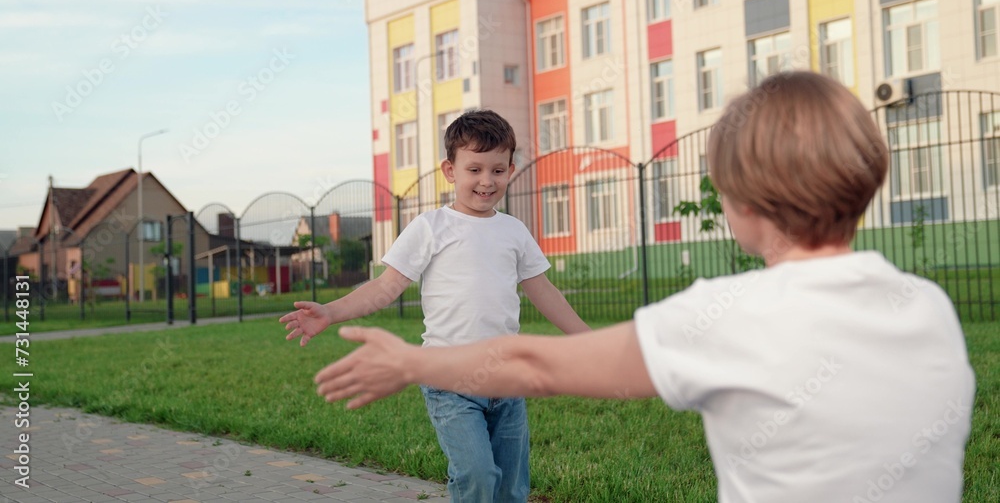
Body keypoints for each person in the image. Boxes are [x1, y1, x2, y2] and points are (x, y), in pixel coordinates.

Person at [311, 72, 976, 503]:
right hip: (461, 385)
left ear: (740, 199)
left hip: (481, 380)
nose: (486, 179)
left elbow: (530, 363)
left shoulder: (726, 314)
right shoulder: (930, 308)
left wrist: (408, 362)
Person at [280, 109, 590, 502]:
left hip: (508, 379)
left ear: (510, 171)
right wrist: (331, 311)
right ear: (450, 170)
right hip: (449, 380)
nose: (486, 181)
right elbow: (386, 286)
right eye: (474, 169)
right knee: (477, 475)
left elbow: (543, 290)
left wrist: (591, 341)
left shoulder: (514, 231)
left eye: (497, 170)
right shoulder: (430, 227)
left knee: (512, 487)